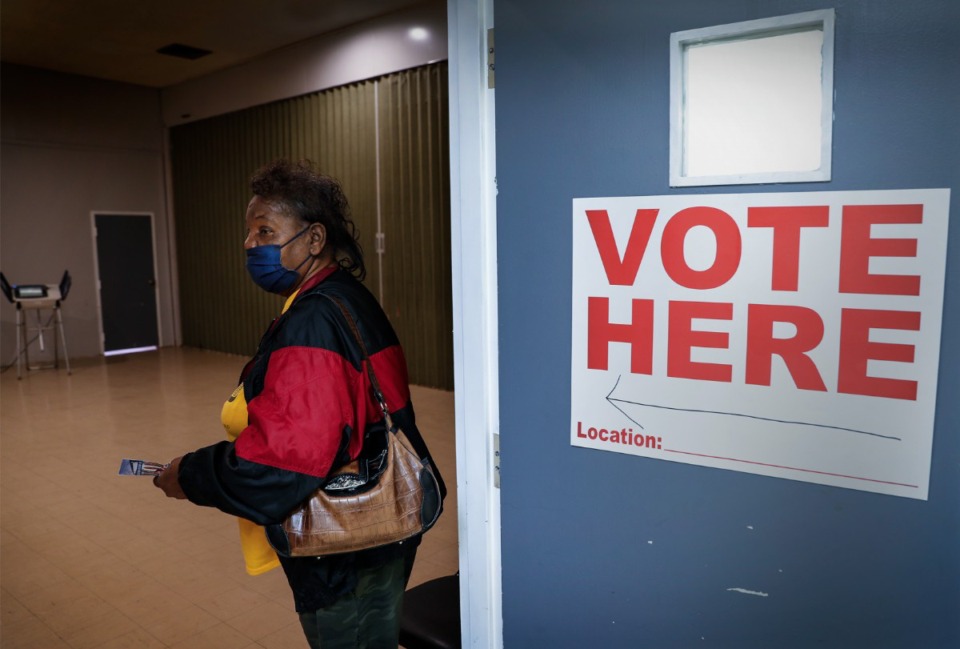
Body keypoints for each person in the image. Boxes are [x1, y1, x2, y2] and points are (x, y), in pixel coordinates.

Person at [154, 159, 445, 649]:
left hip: (346, 548)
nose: (251, 245)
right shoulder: (344, 296)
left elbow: (279, 465)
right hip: (378, 531)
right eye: (249, 233)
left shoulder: (314, 320)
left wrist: (189, 474)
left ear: (313, 239)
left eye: (265, 231)